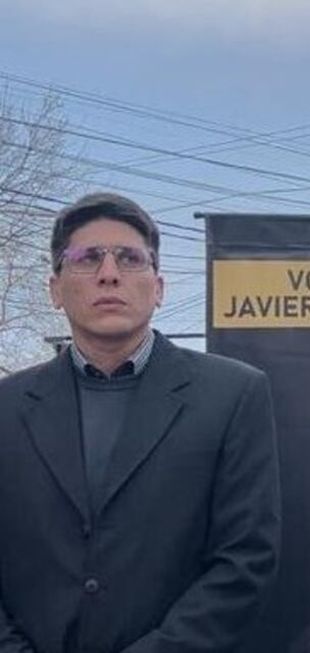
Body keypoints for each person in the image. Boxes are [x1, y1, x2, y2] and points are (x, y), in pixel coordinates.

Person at [0, 193, 281, 652]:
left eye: (130, 258)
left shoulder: (232, 395)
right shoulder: (7, 409)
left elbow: (245, 560)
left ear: (159, 286)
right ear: (55, 288)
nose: (109, 273)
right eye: (87, 258)